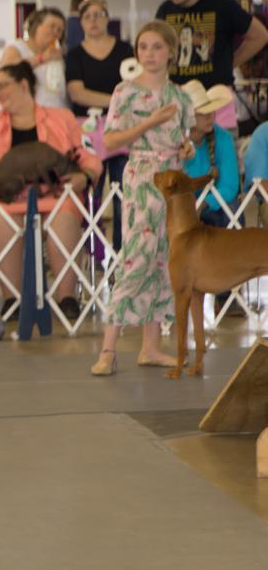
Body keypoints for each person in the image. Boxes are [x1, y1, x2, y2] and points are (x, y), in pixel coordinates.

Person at [91, 21, 196, 376]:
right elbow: (112, 141)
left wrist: (187, 146)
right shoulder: (126, 92)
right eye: (143, 47)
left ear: (171, 51)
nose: (149, 54)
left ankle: (150, 347)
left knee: (164, 258)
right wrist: (150, 122)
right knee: (136, 256)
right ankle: (108, 348)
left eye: (156, 47)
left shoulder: (181, 97)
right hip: (142, 178)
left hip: (173, 182)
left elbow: (187, 140)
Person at [0, 61, 102, 320]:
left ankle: (67, 297)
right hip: (7, 198)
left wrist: (86, 176)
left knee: (65, 217)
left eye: (3, 86)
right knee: (1, 221)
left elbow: (89, 157)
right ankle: (11, 299)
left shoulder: (62, 118)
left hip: (57, 196)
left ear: (23, 84)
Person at [157, 0, 268, 134]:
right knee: (182, 158)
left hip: (217, 98)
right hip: (180, 100)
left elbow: (260, 35)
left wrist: (232, 61)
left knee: (223, 156)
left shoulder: (222, 7)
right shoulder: (165, 10)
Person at [66, 0, 136, 252]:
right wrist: (115, 100)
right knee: (90, 194)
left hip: (121, 128)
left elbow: (134, 87)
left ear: (107, 18)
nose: (94, 21)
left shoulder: (125, 50)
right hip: (88, 130)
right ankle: (92, 254)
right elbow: (77, 94)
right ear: (80, 22)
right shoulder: (74, 55)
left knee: (124, 194)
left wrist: (115, 105)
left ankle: (122, 254)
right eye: (88, 16)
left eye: (98, 14)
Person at [181, 80, 242, 316]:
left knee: (230, 214)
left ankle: (227, 296)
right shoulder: (177, 142)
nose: (210, 117)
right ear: (190, 116)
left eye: (212, 111)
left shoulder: (223, 139)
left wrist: (204, 203)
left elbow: (230, 185)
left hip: (213, 205)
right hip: (183, 207)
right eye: (203, 113)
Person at [0, 7, 69, 109]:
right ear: (36, 26)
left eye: (60, 30)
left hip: (55, 114)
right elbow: (6, 70)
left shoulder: (57, 55)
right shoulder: (17, 46)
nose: (55, 33)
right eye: (52, 27)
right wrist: (42, 59)